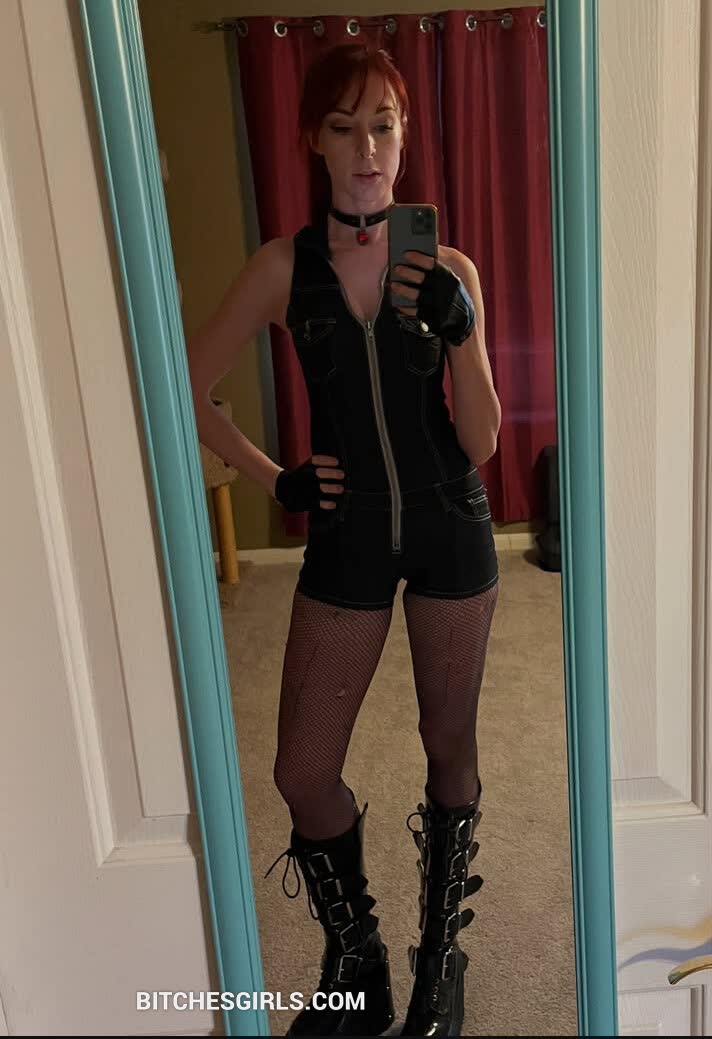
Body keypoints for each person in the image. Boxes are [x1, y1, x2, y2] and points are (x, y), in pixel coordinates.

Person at [188, 42, 501, 1039]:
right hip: (346, 534)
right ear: (312, 142)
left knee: (449, 744)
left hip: (452, 525)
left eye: (383, 126)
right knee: (302, 770)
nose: (367, 149)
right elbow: (185, 385)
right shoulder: (282, 268)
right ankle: (356, 960)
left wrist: (461, 335)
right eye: (344, 127)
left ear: (404, 140)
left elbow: (483, 443)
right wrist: (271, 473)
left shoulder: (448, 266)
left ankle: (438, 956)